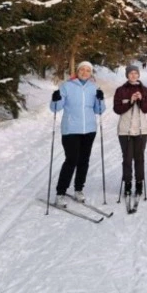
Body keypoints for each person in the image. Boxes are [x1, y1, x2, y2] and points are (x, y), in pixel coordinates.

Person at [49, 61, 105, 207]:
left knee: (84, 160)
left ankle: (78, 189)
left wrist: (100, 98)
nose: (85, 72)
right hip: (71, 129)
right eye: (82, 69)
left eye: (88, 70)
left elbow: (99, 110)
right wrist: (56, 99)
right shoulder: (67, 86)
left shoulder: (93, 88)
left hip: (89, 130)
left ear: (90, 73)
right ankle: (60, 193)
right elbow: (55, 108)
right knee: (71, 160)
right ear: (77, 71)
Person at [113, 65, 147, 198]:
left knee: (139, 158)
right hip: (125, 130)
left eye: (136, 73)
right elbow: (117, 109)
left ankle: (139, 183)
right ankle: (128, 184)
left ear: (139, 75)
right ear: (127, 75)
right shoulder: (121, 90)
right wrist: (130, 102)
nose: (133, 75)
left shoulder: (145, 89)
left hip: (142, 130)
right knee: (127, 158)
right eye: (131, 73)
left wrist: (141, 100)